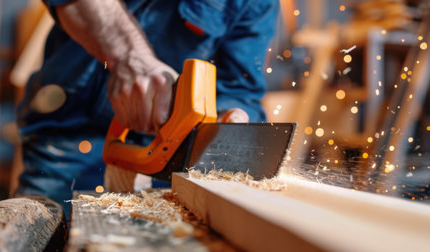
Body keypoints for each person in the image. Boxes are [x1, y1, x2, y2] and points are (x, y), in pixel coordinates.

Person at [16, 0, 279, 215]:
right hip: (70, 142)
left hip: (175, 159)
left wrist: (232, 116)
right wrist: (129, 57)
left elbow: (239, 88)